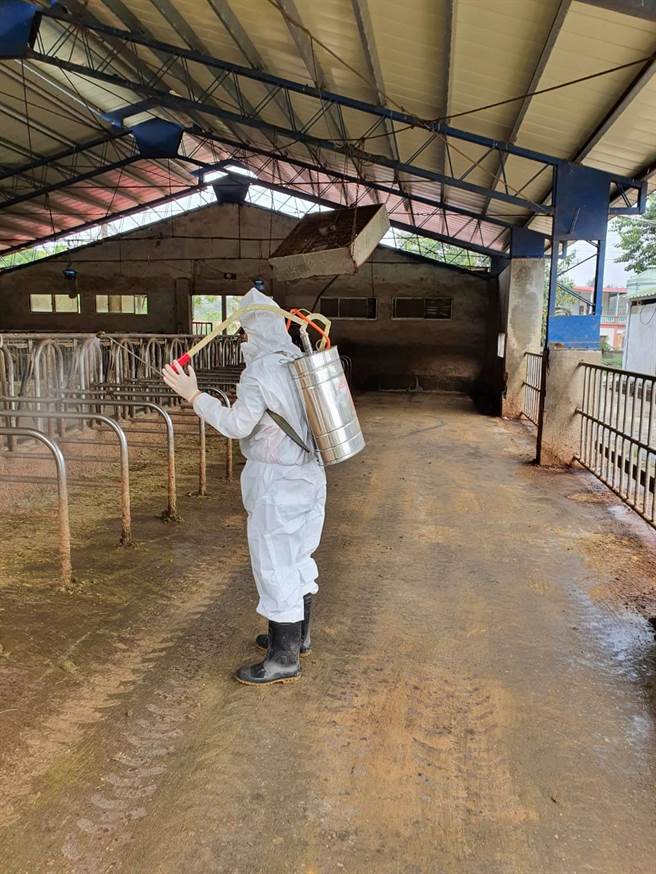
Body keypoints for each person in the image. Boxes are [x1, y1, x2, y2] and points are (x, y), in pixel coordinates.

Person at [162, 287, 327, 686]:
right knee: (299, 555)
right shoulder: (298, 359)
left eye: (244, 334)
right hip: (310, 473)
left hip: (278, 479)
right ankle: (296, 635)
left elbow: (237, 425)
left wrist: (194, 395)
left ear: (251, 333)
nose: (243, 341)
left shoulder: (260, 371)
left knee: (273, 562)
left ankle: (283, 657)